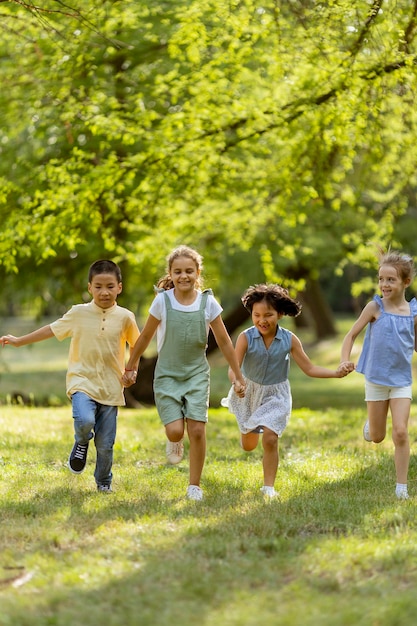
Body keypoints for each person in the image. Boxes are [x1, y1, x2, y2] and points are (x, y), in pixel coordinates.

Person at [0, 259, 140, 493]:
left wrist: (131, 370)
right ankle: (81, 442)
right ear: (89, 288)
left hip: (111, 387)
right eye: (98, 286)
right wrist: (19, 341)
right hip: (81, 381)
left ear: (119, 287)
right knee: (84, 422)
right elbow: (51, 329)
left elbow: (137, 344)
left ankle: (103, 482)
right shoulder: (78, 313)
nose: (104, 292)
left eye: (109, 286)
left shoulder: (125, 317)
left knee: (105, 445)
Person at [123, 245, 246, 501]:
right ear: (170, 273)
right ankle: (174, 440)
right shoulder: (162, 301)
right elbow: (145, 335)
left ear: (198, 272)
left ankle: (194, 486)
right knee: (176, 431)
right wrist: (131, 364)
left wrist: (238, 375)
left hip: (197, 374)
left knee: (198, 430)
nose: (183, 276)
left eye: (189, 271)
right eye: (177, 271)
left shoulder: (207, 302)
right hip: (167, 374)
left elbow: (224, 340)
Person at [222, 283, 353, 498]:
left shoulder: (289, 340)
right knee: (248, 445)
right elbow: (233, 367)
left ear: (280, 314)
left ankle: (268, 488)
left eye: (268, 315)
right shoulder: (245, 337)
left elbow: (309, 368)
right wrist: (237, 382)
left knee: (271, 438)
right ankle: (247, 430)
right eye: (257, 315)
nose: (262, 320)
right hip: (248, 393)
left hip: (276, 395)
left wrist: (335, 373)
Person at [340, 250, 417, 500]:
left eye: (390, 280)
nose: (384, 284)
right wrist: (344, 359)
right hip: (375, 379)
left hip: (401, 381)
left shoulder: (413, 312)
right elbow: (350, 335)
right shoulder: (375, 307)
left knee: (401, 432)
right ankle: (371, 426)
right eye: (381, 279)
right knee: (377, 436)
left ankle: (401, 488)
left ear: (406, 282)